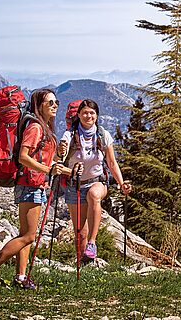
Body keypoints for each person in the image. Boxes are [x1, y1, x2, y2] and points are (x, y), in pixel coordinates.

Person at [0, 88, 79, 289]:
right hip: (30, 185)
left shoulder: (44, 127)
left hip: (34, 183)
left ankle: (21, 278)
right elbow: (24, 157)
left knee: (25, 235)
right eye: (50, 103)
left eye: (56, 102)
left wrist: (59, 157)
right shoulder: (35, 127)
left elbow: (47, 161)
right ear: (39, 105)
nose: (55, 105)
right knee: (28, 236)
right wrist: (49, 169)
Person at [57, 98, 132, 261]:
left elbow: (112, 162)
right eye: (84, 113)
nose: (88, 116)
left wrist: (121, 183)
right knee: (80, 232)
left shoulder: (103, 135)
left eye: (92, 113)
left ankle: (93, 242)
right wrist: (60, 149)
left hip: (97, 181)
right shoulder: (70, 135)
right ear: (79, 115)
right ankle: (82, 263)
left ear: (97, 115)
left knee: (94, 195)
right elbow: (61, 155)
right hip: (74, 186)